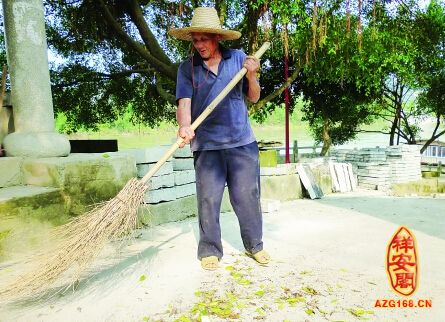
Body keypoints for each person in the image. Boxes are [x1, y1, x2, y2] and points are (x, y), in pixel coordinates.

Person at [169, 7, 270, 270]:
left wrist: (251, 74)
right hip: (207, 146)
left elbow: (255, 97)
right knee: (208, 199)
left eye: (204, 39)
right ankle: (210, 249)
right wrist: (184, 126)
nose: (200, 45)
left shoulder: (238, 59)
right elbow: (184, 103)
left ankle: (254, 245)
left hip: (241, 143)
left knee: (247, 196)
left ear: (217, 39)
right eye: (195, 40)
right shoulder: (187, 68)